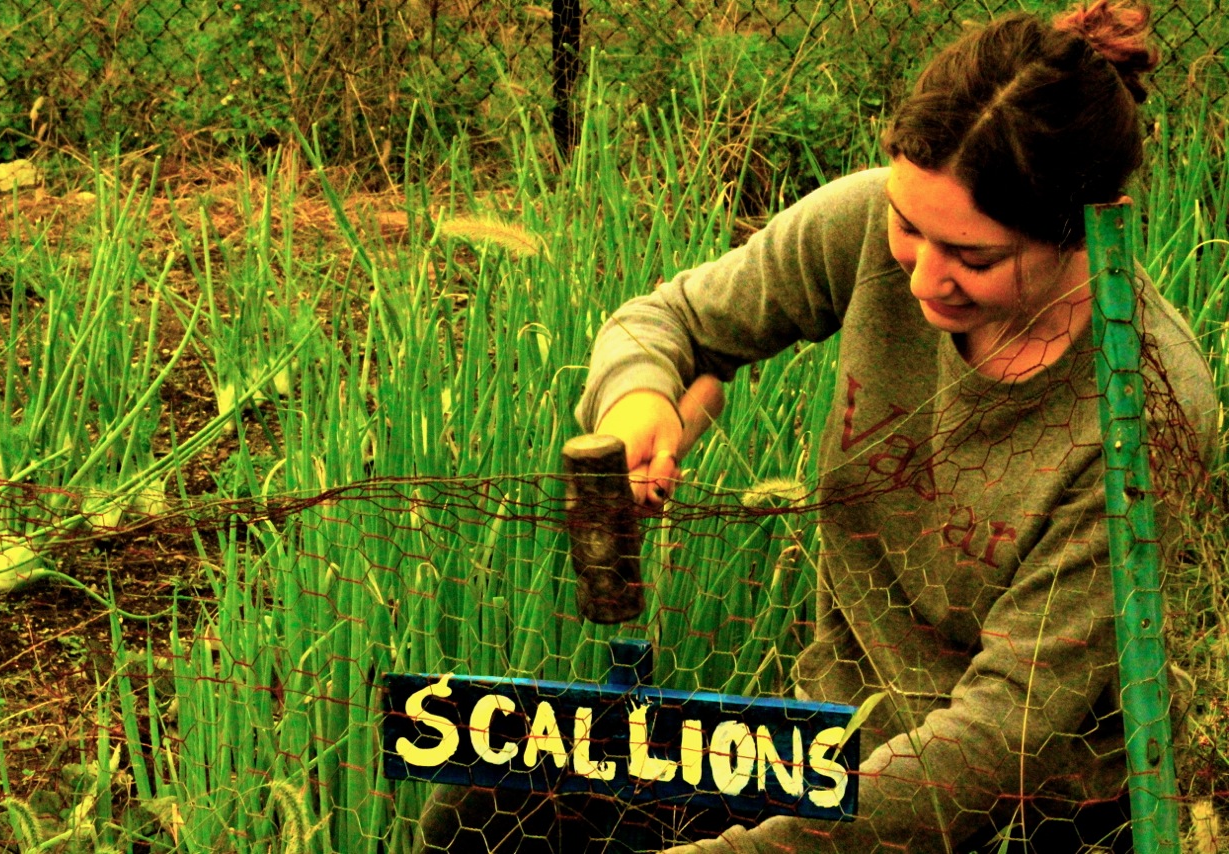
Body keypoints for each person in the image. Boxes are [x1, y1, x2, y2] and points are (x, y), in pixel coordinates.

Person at [418, 2, 1217, 852]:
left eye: (974, 259)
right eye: (910, 228)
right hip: (822, 749)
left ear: (1089, 227)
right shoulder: (866, 226)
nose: (923, 279)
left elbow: (998, 741)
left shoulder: (1140, 411)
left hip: (1026, 811)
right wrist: (639, 398)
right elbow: (668, 321)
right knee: (486, 810)